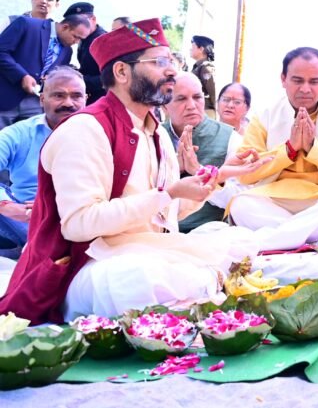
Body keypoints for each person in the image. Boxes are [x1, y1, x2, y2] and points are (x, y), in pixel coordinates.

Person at [0, 19, 264, 323]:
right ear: (122, 72)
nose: (172, 71)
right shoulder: (85, 129)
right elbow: (79, 224)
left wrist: (215, 179)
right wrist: (167, 194)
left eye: (172, 61)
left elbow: (165, 214)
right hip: (90, 264)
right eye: (159, 62)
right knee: (139, 279)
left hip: (143, 250)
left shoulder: (156, 132)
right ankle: (202, 291)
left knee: (240, 241)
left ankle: (199, 290)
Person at [229, 47, 318, 251]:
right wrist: (289, 150)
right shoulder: (265, 116)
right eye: (297, 80)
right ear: (283, 79)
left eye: (314, 81)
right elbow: (244, 174)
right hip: (274, 199)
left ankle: (267, 240)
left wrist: (313, 148)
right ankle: (316, 240)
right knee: (241, 205)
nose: (305, 89)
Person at [0, 66, 86, 253]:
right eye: (58, 96)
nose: (68, 103)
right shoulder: (20, 133)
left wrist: (53, 206)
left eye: (76, 96)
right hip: (27, 217)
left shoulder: (101, 133)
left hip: (82, 215)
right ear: (42, 99)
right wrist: (5, 206)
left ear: (86, 99)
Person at [162, 72, 244, 233]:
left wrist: (199, 171)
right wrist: (172, 169)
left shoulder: (230, 138)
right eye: (181, 99)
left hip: (209, 232)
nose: (191, 105)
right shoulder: (153, 136)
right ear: (164, 106)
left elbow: (239, 200)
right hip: (157, 233)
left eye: (197, 97)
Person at [0, 13, 91, 129]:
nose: (76, 42)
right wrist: (22, 76)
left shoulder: (67, 52)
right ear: (65, 27)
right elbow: (2, 52)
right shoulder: (27, 24)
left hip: (36, 103)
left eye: (80, 40)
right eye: (76, 37)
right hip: (5, 96)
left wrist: (49, 78)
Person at [63, 2, 107, 104]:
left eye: (82, 20)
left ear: (93, 19)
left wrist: (76, 79)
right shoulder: (84, 38)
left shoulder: (104, 41)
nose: (78, 24)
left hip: (100, 99)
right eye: (74, 21)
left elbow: (109, 78)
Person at [189, 35, 216, 116]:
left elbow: (212, 91)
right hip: (198, 109)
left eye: (193, 47)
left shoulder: (206, 67)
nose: (190, 49)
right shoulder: (198, 67)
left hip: (205, 111)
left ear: (201, 49)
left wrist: (216, 111)